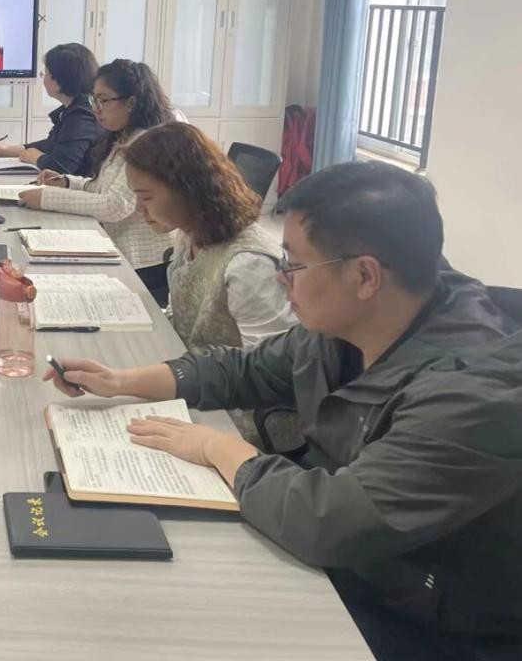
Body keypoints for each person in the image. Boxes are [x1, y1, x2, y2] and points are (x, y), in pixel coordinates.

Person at [46, 162, 522, 659]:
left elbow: (328, 521)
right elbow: (244, 370)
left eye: (292, 265)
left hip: (429, 621)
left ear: (365, 276)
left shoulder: (474, 395)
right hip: (351, 565)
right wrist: (121, 381)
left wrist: (216, 447)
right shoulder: (353, 321)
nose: (280, 280)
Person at [123, 122, 295, 443]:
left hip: (238, 419)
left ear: (187, 189)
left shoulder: (249, 264)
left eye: (146, 197)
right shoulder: (189, 233)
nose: (139, 209)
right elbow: (186, 316)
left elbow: (270, 376)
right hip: (198, 382)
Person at [19, 59, 174, 304]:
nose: (96, 109)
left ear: (131, 103)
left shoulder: (146, 143)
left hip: (144, 265)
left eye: (103, 101)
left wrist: (47, 198)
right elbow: (100, 188)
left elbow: (115, 206)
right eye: (94, 100)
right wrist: (66, 182)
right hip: (116, 250)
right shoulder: (123, 137)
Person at [0, 43, 100, 175]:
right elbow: (50, 145)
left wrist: (35, 157)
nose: (42, 75)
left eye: (46, 72)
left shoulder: (81, 116)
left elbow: (61, 167)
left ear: (58, 83)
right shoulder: (74, 109)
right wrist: (3, 151)